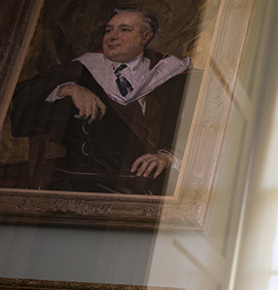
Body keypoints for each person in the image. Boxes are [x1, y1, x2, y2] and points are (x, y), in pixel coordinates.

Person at [10, 8, 200, 195]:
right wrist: (68, 88)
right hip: (92, 182)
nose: (112, 36)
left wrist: (167, 156)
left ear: (145, 37)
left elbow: (197, 128)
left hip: (157, 182)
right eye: (109, 30)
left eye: (124, 30)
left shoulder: (172, 72)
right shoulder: (83, 68)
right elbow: (23, 93)